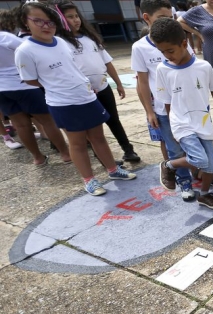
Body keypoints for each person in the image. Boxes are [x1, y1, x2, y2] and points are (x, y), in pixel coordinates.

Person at [15, 2, 135, 195]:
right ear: (25, 22)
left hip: (87, 97)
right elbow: (30, 79)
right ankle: (89, 180)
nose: (46, 26)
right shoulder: (25, 50)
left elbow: (72, 68)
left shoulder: (61, 42)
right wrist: (59, 87)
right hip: (64, 103)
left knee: (98, 137)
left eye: (50, 21)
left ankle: (113, 170)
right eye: (38, 21)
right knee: (77, 143)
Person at [151, 18, 213, 209]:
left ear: (184, 44)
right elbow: (168, 103)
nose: (167, 55)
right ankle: (169, 165)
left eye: (170, 50)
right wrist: (172, 128)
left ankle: (204, 194)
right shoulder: (163, 69)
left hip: (203, 121)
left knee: (210, 165)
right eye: (162, 52)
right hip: (181, 123)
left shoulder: (203, 66)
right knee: (200, 159)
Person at [56, 0, 141, 164]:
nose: (76, 20)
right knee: (94, 128)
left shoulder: (90, 38)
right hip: (84, 93)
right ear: (60, 19)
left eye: (76, 16)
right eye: (70, 17)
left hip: (103, 87)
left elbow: (107, 62)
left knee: (113, 120)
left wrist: (118, 83)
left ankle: (128, 150)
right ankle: (104, 158)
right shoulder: (61, 44)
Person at [133, 0, 196, 200]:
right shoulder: (140, 48)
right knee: (174, 146)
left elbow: (192, 70)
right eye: (162, 18)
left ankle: (207, 171)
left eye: (170, 18)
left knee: (198, 142)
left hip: (188, 105)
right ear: (146, 18)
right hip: (163, 109)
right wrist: (149, 111)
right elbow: (142, 82)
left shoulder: (181, 40)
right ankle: (184, 180)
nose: (169, 22)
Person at [0, 9, 70, 164]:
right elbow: (30, 49)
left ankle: (38, 157)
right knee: (47, 121)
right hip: (23, 85)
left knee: (20, 125)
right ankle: (65, 153)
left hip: (2, 89)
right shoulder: (6, 38)